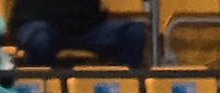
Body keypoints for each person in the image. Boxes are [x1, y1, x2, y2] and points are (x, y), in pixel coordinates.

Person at [9, 0, 147, 69]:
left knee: (133, 32)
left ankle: (123, 90)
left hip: (86, 27)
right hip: (42, 23)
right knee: (39, 39)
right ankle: (42, 89)